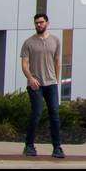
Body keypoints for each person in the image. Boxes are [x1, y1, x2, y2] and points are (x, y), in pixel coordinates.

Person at [21, 13, 65, 158]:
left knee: (55, 115)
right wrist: (30, 78)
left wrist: (56, 80)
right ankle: (29, 145)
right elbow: (24, 64)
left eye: (41, 22)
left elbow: (58, 61)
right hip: (35, 84)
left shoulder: (55, 41)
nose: (38, 25)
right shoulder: (28, 43)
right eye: (36, 23)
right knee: (37, 113)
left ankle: (57, 147)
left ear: (47, 23)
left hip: (51, 84)